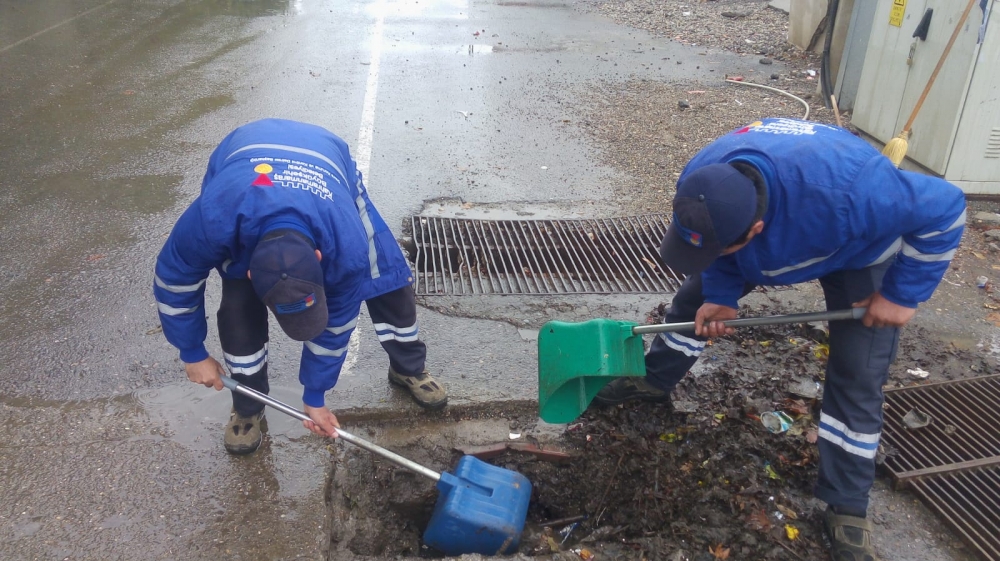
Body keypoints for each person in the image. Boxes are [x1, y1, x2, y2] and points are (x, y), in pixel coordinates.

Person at [594, 118, 966, 561]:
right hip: (780, 229)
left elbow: (946, 207)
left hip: (858, 249)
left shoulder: (859, 194)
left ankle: (847, 504)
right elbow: (715, 247)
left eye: (717, 247)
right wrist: (721, 294)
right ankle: (655, 381)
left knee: (858, 372)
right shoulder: (705, 179)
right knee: (693, 304)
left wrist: (902, 295)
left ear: (754, 229)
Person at [153, 118, 446, 456]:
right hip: (241, 163)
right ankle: (248, 404)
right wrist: (192, 353)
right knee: (237, 311)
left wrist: (315, 397)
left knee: (387, 280)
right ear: (249, 273)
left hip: (325, 163)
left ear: (320, 258)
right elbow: (174, 281)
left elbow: (336, 327)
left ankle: (408, 366)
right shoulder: (212, 219)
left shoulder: (345, 244)